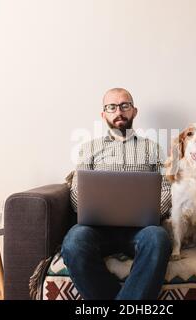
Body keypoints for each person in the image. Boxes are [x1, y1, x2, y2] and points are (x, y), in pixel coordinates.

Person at [61, 88, 172, 300]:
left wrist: (150, 212)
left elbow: (166, 189)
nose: (118, 111)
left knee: (158, 238)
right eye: (111, 107)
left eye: (124, 105)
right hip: (97, 228)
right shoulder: (88, 149)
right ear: (103, 114)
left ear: (134, 111)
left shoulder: (154, 149)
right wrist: (91, 209)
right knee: (74, 242)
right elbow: (76, 192)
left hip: (141, 230)